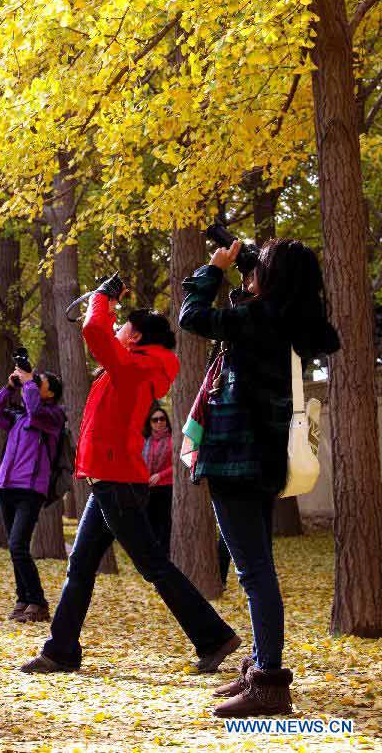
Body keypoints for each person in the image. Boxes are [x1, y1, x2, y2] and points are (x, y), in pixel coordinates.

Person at [22, 280, 240, 675]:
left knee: (154, 565)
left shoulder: (132, 366)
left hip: (117, 480)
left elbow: (93, 331)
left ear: (136, 336)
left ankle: (213, 636)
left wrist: (102, 298)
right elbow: (103, 336)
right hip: (109, 478)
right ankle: (61, 651)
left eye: (123, 326)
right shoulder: (133, 366)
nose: (116, 328)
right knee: (81, 566)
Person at [179, 238, 339, 717]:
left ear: (274, 279)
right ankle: (259, 667)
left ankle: (269, 681)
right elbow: (246, 319)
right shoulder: (287, 319)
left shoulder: (257, 319)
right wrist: (250, 272)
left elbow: (192, 316)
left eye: (261, 268)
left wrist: (213, 269)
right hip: (264, 461)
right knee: (257, 567)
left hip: (236, 456)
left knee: (253, 571)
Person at [0, 367, 65, 623]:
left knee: (18, 544)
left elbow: (36, 412)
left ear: (50, 392)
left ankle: (38, 602)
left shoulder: (53, 416)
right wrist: (9, 388)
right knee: (14, 546)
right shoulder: (19, 418)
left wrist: (29, 383)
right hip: (6, 486)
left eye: (38, 382)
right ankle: (23, 599)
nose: (31, 383)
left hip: (31, 489)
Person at [142, 404, 174, 554]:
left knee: (165, 524)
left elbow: (178, 465)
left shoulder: (172, 440)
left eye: (162, 419)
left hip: (166, 487)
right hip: (148, 488)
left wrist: (160, 475)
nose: (159, 422)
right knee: (150, 524)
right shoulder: (146, 441)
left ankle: (165, 556)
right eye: (155, 420)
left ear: (167, 421)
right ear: (150, 423)